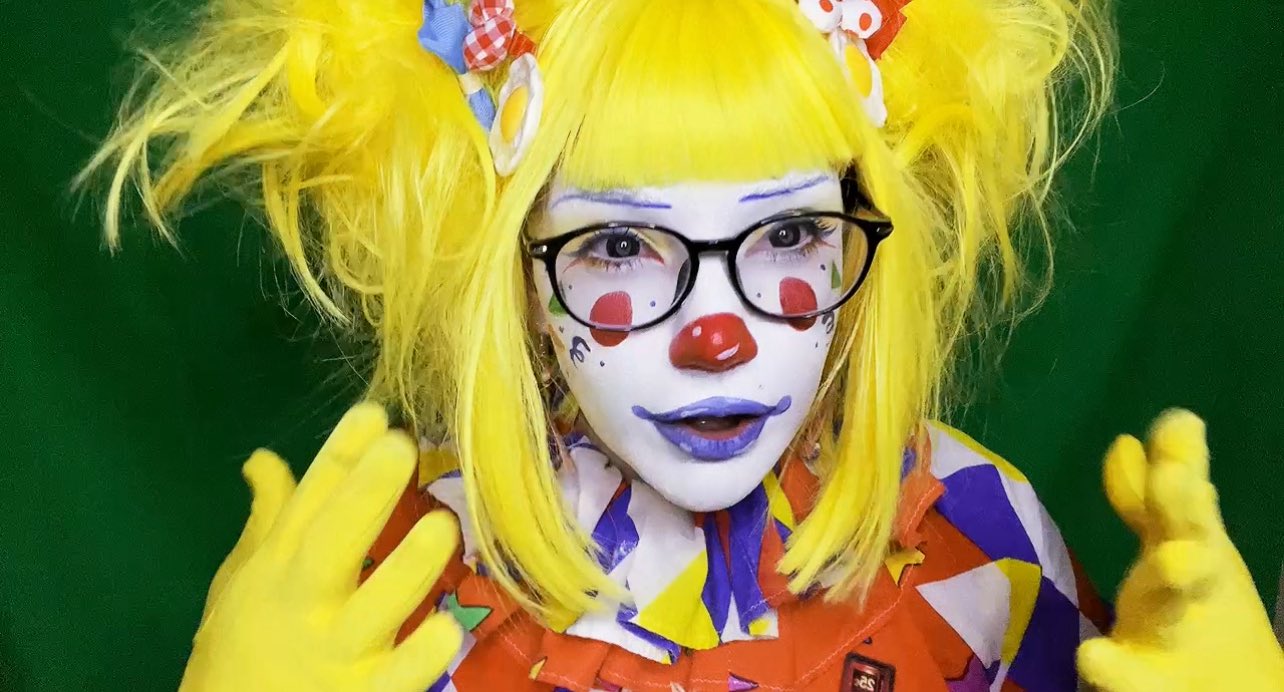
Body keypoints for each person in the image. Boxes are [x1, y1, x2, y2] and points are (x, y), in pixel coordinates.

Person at [82, 0, 1284, 689]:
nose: (720, 336)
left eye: (791, 234)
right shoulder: (384, 591)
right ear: (517, 274)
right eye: (618, 246)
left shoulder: (982, 537)